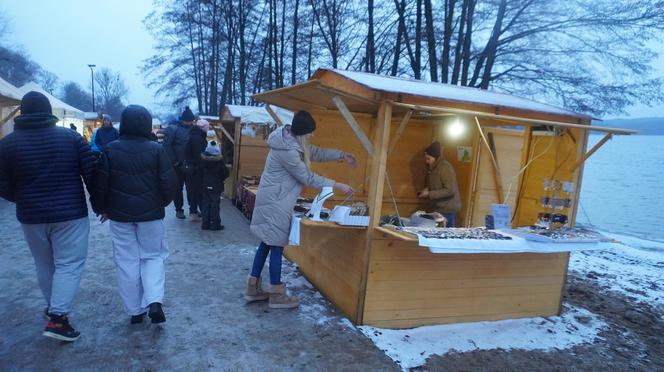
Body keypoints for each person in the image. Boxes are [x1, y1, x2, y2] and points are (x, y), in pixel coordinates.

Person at [0, 91, 96, 341]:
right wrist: (100, 203)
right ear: (48, 111)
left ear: (22, 112)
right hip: (70, 214)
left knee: (44, 264)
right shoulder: (71, 138)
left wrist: (21, 199)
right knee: (69, 264)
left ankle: (54, 308)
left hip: (30, 216)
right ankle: (58, 318)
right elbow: (92, 174)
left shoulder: (7, 144)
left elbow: (2, 184)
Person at [245, 111, 356, 309]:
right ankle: (277, 296)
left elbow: (316, 152)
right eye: (310, 133)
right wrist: (337, 184)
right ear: (302, 133)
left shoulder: (290, 142)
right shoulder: (288, 151)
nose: (311, 136)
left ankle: (253, 289)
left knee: (267, 243)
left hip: (274, 199)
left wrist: (341, 155)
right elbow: (308, 178)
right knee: (276, 245)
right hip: (275, 202)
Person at [92, 105, 177, 325]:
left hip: (119, 216)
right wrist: (160, 204)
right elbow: (169, 183)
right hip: (151, 216)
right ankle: (155, 301)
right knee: (153, 256)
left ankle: (135, 311)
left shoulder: (110, 149)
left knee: (126, 261)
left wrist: (102, 208)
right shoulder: (156, 150)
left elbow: (101, 183)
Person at [417, 141, 461, 227]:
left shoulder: (445, 168)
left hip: (447, 209)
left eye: (428, 158)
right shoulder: (433, 168)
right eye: (426, 158)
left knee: (445, 236)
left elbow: (450, 190)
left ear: (435, 157)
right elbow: (437, 185)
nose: (426, 161)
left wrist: (429, 193)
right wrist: (428, 189)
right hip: (439, 208)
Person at [162, 106, 195, 219]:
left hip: (190, 164)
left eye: (192, 121)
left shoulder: (194, 129)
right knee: (177, 188)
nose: (191, 122)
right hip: (177, 165)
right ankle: (179, 209)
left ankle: (193, 209)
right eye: (189, 120)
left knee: (191, 188)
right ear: (183, 120)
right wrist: (175, 161)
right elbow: (167, 146)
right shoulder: (173, 129)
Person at [200, 141, 230, 230]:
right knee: (215, 205)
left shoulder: (203, 160)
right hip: (216, 186)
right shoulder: (219, 161)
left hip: (205, 185)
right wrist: (220, 179)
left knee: (205, 204)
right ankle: (215, 224)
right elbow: (225, 173)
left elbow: (199, 171)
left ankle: (205, 224)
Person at [184, 118, 209, 221]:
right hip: (195, 169)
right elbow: (199, 155)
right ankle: (194, 213)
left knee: (194, 190)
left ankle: (195, 211)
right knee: (196, 191)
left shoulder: (194, 135)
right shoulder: (197, 138)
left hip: (192, 168)